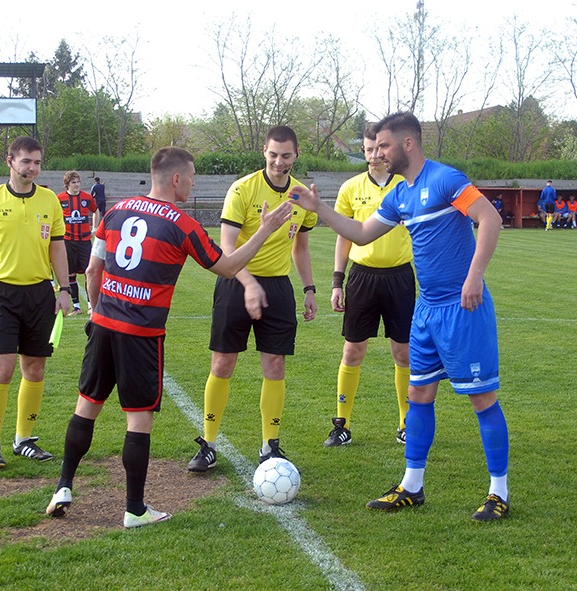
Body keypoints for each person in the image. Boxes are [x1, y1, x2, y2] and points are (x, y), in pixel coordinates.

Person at [44, 147, 293, 527]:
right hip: (141, 334)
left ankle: (63, 485)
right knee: (138, 420)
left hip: (105, 326)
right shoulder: (182, 224)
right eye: (191, 176)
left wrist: (97, 312)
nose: (193, 183)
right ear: (176, 178)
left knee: (87, 405)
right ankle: (135, 509)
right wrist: (265, 229)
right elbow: (226, 267)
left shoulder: (115, 210)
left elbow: (93, 270)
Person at [290, 112, 510, 522]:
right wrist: (318, 207)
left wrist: (474, 277)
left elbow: (490, 218)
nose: (378, 154)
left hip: (463, 308)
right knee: (419, 395)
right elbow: (359, 234)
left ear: (408, 144)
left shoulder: (446, 180)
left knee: (481, 398)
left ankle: (499, 492)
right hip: (425, 310)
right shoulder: (399, 196)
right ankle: (412, 486)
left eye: (385, 146)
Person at [187, 125, 318, 473]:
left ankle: (269, 446)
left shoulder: (302, 196)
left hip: (277, 287)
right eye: (273, 154)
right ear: (264, 151)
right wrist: (247, 283)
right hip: (235, 283)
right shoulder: (243, 189)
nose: (279, 162)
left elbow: (300, 247)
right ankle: (209, 443)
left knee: (275, 365)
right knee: (222, 364)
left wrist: (308, 289)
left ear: (296, 154)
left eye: (286, 155)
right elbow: (226, 247)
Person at [0, 136, 72, 470]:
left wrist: (65, 288)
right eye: (26, 161)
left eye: (38, 162)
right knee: (2, 369)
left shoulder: (50, 201)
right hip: (0, 295)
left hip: (40, 293)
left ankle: (24, 439)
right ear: (9, 161)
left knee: (35, 368)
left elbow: (57, 247)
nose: (32, 168)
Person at [323, 124, 414, 448]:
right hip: (362, 278)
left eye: (380, 148)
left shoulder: (406, 185)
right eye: (368, 149)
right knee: (352, 350)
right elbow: (344, 237)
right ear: (362, 152)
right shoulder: (350, 188)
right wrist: (337, 281)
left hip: (400, 277)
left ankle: (407, 423)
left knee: (403, 353)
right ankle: (341, 424)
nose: (374, 155)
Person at [57, 171, 98, 316]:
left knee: (89, 273)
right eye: (73, 182)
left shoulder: (86, 197)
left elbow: (95, 210)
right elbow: (55, 216)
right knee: (70, 274)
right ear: (67, 184)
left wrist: (94, 228)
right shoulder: (60, 198)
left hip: (84, 241)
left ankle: (90, 305)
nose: (77, 185)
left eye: (78, 182)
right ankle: (76, 306)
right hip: (68, 241)